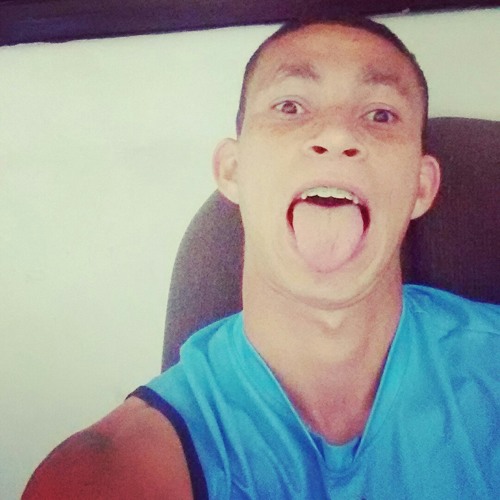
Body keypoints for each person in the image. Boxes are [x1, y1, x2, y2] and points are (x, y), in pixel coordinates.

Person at [23, 17, 499, 500]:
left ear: (421, 187)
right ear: (233, 171)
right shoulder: (110, 472)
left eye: (380, 114)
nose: (336, 133)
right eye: (290, 107)